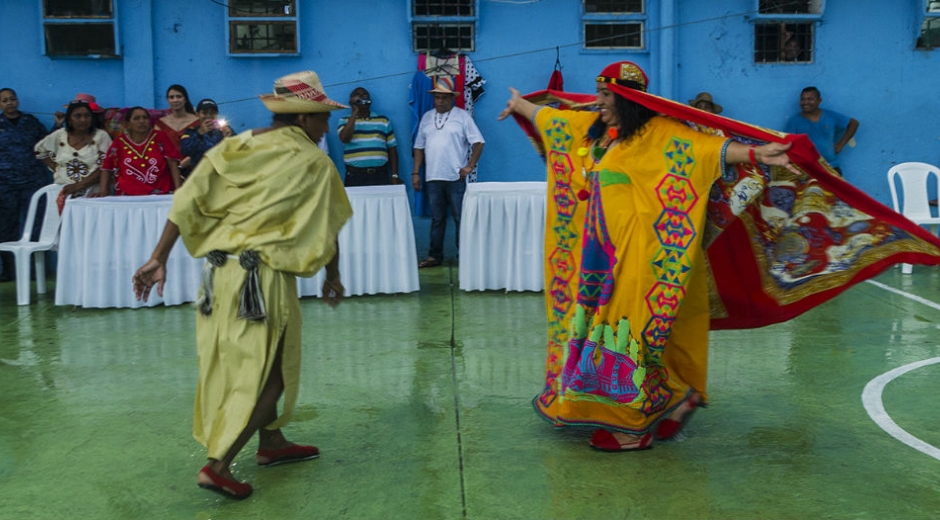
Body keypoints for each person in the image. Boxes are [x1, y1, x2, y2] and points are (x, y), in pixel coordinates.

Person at [498, 61, 794, 452]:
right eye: (600, 94)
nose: (598, 104)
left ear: (629, 100)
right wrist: (520, 105)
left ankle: (630, 428)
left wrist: (757, 154)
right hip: (596, 254)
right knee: (593, 323)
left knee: (629, 328)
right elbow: (552, 119)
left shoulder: (659, 134)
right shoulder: (595, 131)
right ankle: (673, 396)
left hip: (640, 253)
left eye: (607, 97)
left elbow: (707, 150)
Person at [131, 70, 353, 500]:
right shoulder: (313, 161)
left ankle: (270, 444)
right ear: (305, 118)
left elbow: (188, 199)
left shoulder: (237, 145)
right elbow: (328, 225)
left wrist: (158, 257)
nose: (326, 126)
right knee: (273, 374)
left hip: (218, 276)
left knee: (238, 363)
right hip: (263, 280)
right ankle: (218, 465)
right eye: (323, 117)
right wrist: (333, 275)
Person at [412, 76, 485, 268]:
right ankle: (435, 256)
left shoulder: (462, 116)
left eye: (444, 97)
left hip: (455, 178)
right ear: (433, 98)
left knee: (461, 217)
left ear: (452, 98)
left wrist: (469, 166)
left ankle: (466, 255)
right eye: (437, 97)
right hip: (433, 177)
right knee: (437, 219)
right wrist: (415, 173)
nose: (440, 101)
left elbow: (478, 142)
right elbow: (419, 147)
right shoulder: (427, 117)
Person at [0, 87, 49, 281]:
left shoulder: (31, 122)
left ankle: (36, 270)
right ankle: (10, 270)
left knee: (37, 225)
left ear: (17, 101)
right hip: (5, 183)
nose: (9, 103)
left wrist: (58, 125)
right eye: (4, 100)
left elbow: (46, 144)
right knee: (6, 227)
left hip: (33, 180)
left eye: (12, 99)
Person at [35, 100, 112, 206]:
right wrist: (57, 168)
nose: (83, 120)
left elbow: (106, 167)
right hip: (64, 193)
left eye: (87, 116)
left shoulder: (101, 136)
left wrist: (79, 185)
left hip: (93, 194)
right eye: (78, 116)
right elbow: (40, 151)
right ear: (69, 119)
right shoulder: (59, 135)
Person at [97, 106, 182, 196]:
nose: (142, 121)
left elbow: (172, 164)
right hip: (128, 196)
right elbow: (107, 167)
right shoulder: (119, 142)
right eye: (136, 118)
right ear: (127, 124)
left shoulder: (161, 137)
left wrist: (178, 189)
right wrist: (103, 191)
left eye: (145, 118)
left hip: (159, 194)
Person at [784, 86, 858, 175]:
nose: (805, 102)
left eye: (810, 99)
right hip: (807, 170)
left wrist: (840, 144)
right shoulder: (794, 121)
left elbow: (854, 123)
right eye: (802, 99)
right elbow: (787, 144)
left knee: (834, 189)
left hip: (831, 167)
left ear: (819, 101)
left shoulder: (830, 116)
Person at [337, 87, 400, 186]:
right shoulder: (344, 120)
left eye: (364, 94)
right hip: (355, 176)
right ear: (351, 101)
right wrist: (354, 112)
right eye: (357, 94)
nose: (361, 96)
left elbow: (392, 149)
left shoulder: (383, 120)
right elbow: (345, 138)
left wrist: (394, 175)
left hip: (380, 174)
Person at [179, 98, 233, 173]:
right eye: (204, 113)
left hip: (221, 175)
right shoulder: (191, 132)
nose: (208, 116)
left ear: (217, 114)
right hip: (200, 176)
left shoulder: (225, 130)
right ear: (197, 114)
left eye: (212, 113)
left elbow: (237, 150)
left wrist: (228, 139)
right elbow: (185, 150)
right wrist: (200, 133)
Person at [154, 84, 200, 168]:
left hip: (194, 169)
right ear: (168, 100)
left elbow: (202, 147)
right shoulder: (160, 124)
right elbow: (156, 149)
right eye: (171, 97)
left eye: (179, 96)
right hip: (168, 169)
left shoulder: (197, 121)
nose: (175, 100)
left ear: (185, 99)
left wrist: (182, 166)